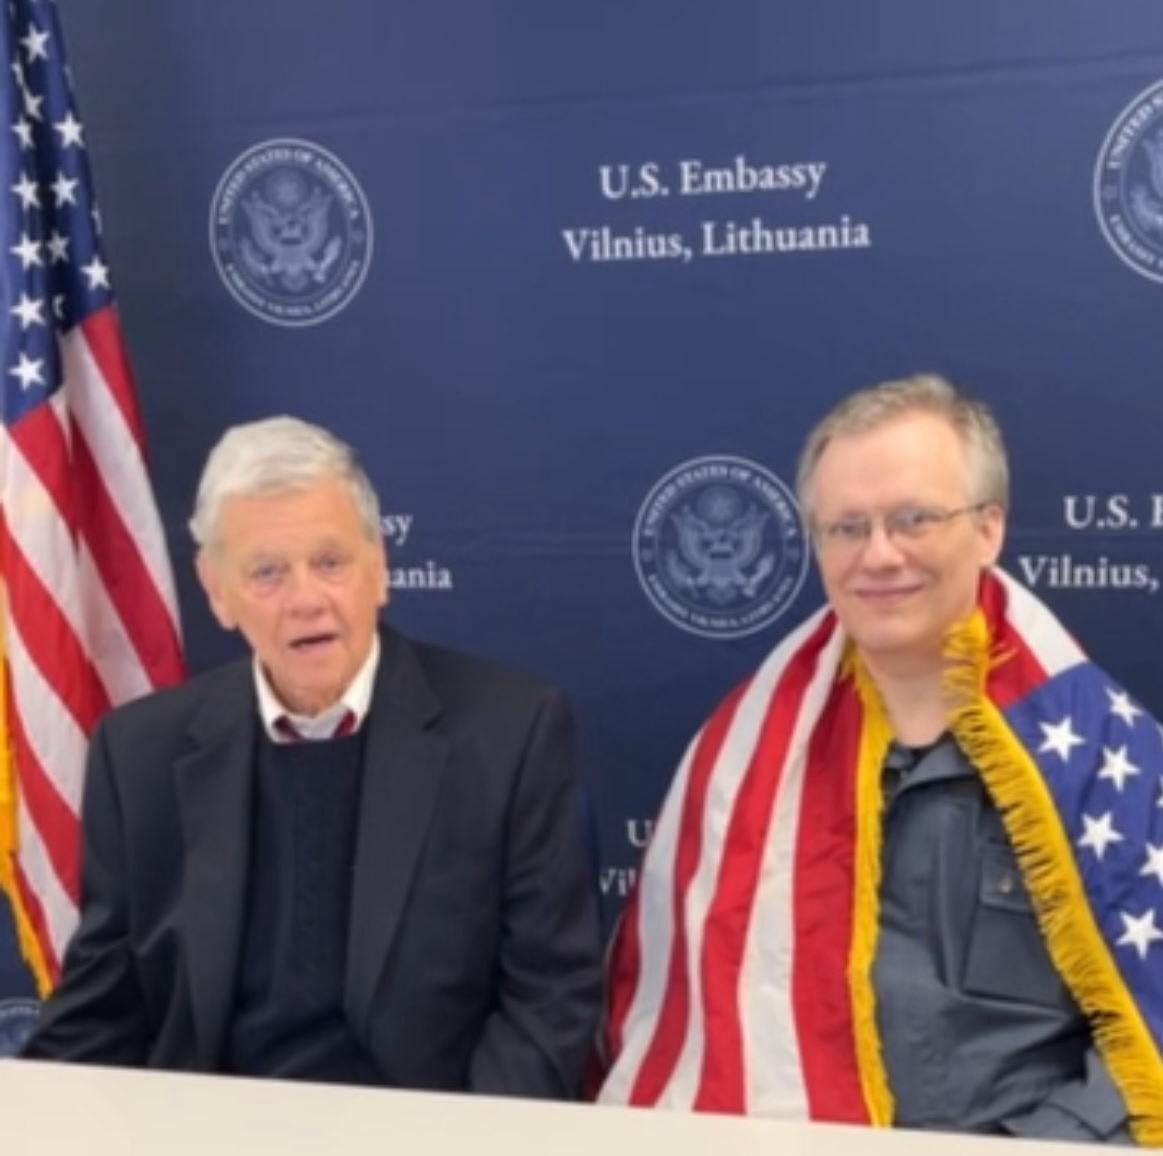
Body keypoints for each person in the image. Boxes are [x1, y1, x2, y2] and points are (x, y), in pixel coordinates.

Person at [598, 375, 1163, 1143]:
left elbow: (1145, 1035)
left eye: (913, 519)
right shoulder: (746, 750)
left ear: (988, 528)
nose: (879, 555)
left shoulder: (1101, 751)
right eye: (845, 528)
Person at [23, 415, 601, 1096]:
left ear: (379, 569)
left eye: (330, 563)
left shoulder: (510, 732)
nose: (305, 600)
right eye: (266, 572)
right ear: (217, 592)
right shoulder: (139, 754)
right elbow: (100, 1015)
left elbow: (549, 1001)